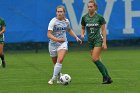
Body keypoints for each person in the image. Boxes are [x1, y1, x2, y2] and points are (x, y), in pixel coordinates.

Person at [47, 5, 82, 85]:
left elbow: (69, 30)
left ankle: (53, 79)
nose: (59, 13)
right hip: (53, 44)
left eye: (61, 11)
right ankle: (59, 76)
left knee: (60, 60)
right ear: (56, 12)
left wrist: (76, 37)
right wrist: (57, 39)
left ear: (64, 12)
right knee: (55, 63)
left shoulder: (66, 21)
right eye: (58, 12)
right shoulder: (53, 21)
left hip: (63, 43)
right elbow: (49, 34)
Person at [81, 0, 112, 84]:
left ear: (95, 7)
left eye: (91, 6)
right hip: (90, 41)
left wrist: (104, 42)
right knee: (98, 59)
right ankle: (107, 77)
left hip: (98, 40)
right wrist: (82, 34)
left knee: (94, 59)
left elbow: (103, 30)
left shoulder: (99, 17)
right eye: (88, 6)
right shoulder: (84, 17)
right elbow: (83, 27)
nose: (89, 8)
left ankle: (105, 77)